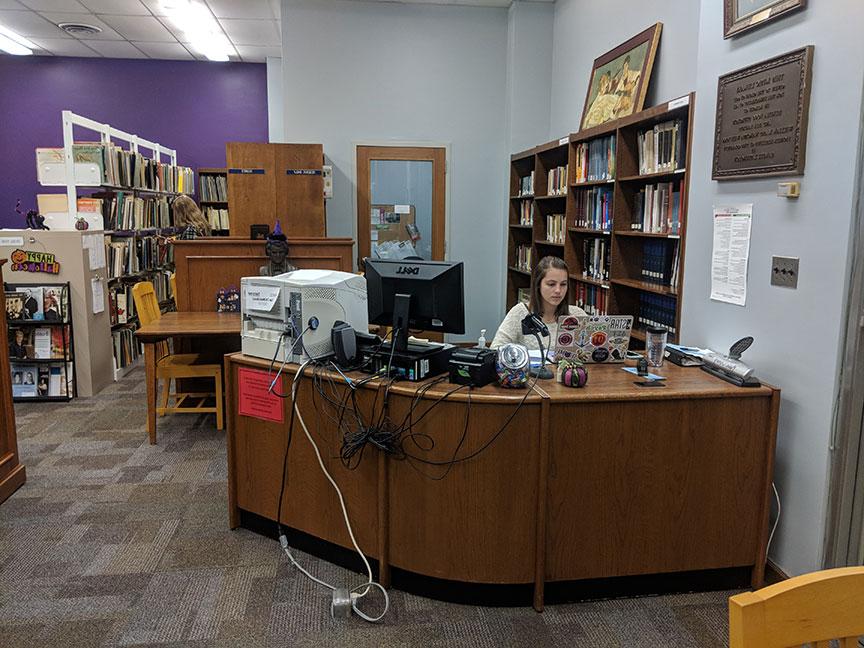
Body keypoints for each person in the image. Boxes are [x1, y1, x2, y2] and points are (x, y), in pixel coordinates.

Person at [490, 256, 587, 350]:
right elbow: (496, 349)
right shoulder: (520, 312)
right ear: (538, 285)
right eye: (551, 284)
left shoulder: (577, 314)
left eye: (563, 284)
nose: (558, 290)